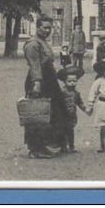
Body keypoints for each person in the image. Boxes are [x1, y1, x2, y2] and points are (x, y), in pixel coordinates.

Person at [23, 15, 66, 159]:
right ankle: (35, 149)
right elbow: (35, 65)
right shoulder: (32, 44)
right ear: (37, 27)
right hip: (39, 81)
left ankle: (50, 144)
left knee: (54, 111)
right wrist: (36, 84)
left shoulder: (43, 42)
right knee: (37, 114)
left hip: (49, 80)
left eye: (49, 28)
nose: (48, 31)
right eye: (45, 28)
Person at [56, 65, 89, 153]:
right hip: (62, 115)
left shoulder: (76, 93)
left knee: (70, 130)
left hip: (72, 115)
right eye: (69, 81)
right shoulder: (61, 93)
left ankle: (71, 146)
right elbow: (57, 103)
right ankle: (63, 146)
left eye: (74, 81)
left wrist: (86, 110)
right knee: (62, 131)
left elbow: (80, 103)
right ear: (64, 81)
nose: (72, 83)